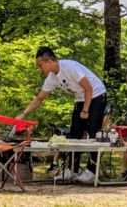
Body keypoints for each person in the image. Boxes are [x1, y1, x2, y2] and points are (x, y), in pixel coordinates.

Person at [15, 47, 106, 184]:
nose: (40, 68)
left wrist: (86, 110)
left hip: (97, 95)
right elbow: (40, 98)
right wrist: (23, 113)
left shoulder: (70, 67)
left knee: (93, 133)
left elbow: (89, 88)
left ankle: (92, 171)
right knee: (75, 133)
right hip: (81, 98)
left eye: (41, 65)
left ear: (50, 61)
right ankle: (72, 170)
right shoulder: (51, 78)